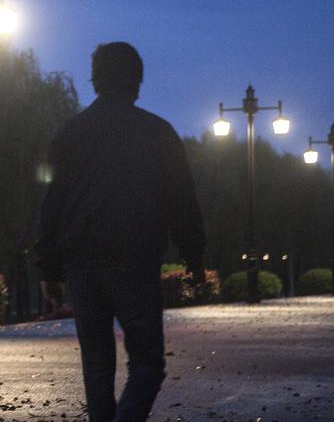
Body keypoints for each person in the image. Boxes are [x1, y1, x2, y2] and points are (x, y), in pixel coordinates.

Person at [35, 42, 206, 422]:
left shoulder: (70, 133)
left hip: (83, 262)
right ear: (137, 82)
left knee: (96, 367)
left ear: (95, 80)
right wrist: (193, 259)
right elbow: (182, 203)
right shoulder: (158, 133)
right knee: (147, 362)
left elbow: (53, 203)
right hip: (135, 260)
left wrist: (49, 268)